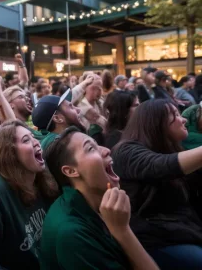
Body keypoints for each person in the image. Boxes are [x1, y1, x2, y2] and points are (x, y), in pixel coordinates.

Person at [40, 127, 159, 270]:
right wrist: (122, 231)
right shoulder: (71, 235)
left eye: (97, 144)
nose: (106, 150)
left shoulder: (96, 202)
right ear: (71, 171)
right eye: (91, 148)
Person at [112, 99, 202, 269]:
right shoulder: (126, 151)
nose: (183, 119)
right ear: (154, 122)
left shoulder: (171, 147)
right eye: (174, 115)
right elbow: (160, 165)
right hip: (155, 242)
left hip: (181, 231)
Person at [0, 120, 58, 270]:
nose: (36, 142)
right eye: (26, 140)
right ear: (9, 153)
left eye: (33, 137)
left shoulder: (42, 182)